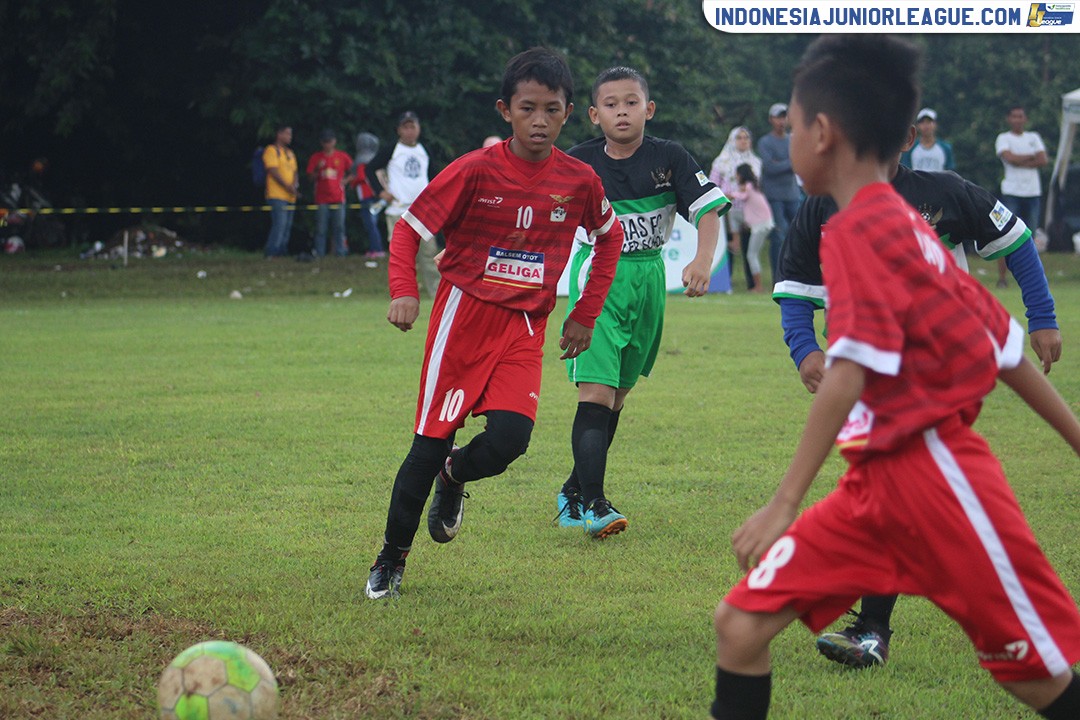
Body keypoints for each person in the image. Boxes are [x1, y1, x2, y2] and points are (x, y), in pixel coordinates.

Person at [712, 34, 1080, 720]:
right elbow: (1004, 349)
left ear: (822, 134)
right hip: (874, 490)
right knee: (740, 627)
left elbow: (851, 369)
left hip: (940, 481)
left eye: (790, 127)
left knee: (1039, 679)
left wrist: (784, 503)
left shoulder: (860, 233)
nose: (786, 142)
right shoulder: (901, 225)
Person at [773, 128, 1063, 670]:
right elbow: (796, 284)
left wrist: (1042, 317)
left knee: (897, 494)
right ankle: (1010, 630)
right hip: (868, 375)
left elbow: (1017, 241)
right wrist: (803, 348)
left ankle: (877, 629)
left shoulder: (946, 191)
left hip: (938, 371)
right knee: (909, 500)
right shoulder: (821, 206)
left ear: (905, 137)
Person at [364, 47, 624, 600]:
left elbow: (610, 238)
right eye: (527, 108)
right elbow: (409, 230)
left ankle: (453, 478)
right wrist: (404, 293)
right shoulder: (473, 170)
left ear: (568, 113)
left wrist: (584, 313)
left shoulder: (579, 180)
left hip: (525, 328)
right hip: (462, 320)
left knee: (511, 440)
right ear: (505, 110)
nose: (539, 120)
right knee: (427, 445)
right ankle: (391, 559)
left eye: (551, 109)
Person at [553, 66, 729, 538]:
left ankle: (572, 489)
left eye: (631, 102)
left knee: (616, 398)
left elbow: (710, 209)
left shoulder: (669, 157)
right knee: (595, 392)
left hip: (649, 278)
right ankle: (595, 504)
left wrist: (703, 260)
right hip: (600, 280)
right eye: (611, 104)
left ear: (648, 109)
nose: (622, 111)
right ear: (594, 114)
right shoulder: (578, 162)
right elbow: (539, 211)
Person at [367, 111, 439, 295]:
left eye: (412, 126)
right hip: (397, 210)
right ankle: (403, 293)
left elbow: (434, 177)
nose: (409, 131)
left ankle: (436, 292)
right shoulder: (392, 149)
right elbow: (370, 168)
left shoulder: (425, 150)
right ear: (399, 130)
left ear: (419, 128)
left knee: (429, 254)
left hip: (423, 211)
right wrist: (381, 192)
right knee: (402, 256)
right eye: (405, 127)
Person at [996, 105, 1048, 288]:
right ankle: (1002, 278)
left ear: (1025, 119)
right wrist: (1031, 157)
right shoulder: (1003, 138)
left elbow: (1043, 160)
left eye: (1021, 116)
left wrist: (1020, 159)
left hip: (1032, 193)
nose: (1018, 119)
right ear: (1009, 119)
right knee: (1005, 236)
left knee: (1030, 238)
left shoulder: (1033, 137)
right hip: (1011, 192)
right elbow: (1010, 159)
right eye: (1014, 116)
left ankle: (1031, 279)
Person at [710, 126, 762, 291]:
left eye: (746, 138)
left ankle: (752, 284)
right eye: (739, 137)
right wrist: (728, 196)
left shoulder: (755, 162)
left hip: (749, 212)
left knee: (750, 248)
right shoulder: (721, 162)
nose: (743, 141)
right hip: (727, 210)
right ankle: (726, 283)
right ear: (732, 140)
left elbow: (758, 188)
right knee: (730, 246)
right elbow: (712, 186)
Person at [757, 103, 802, 283]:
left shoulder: (793, 140)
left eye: (784, 117)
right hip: (774, 196)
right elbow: (769, 168)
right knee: (779, 236)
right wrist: (791, 162)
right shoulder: (765, 142)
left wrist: (782, 163)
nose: (781, 121)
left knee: (799, 235)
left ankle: (797, 275)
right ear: (771, 119)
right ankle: (779, 277)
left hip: (792, 195)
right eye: (778, 117)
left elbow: (800, 162)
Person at [305, 129, 354, 257]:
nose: (328, 144)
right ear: (322, 143)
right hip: (321, 198)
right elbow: (309, 177)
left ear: (334, 141)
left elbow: (354, 171)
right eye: (325, 142)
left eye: (330, 141)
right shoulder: (316, 158)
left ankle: (341, 252)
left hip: (338, 197)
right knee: (321, 228)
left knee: (339, 227)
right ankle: (319, 253)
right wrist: (317, 169)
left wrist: (346, 180)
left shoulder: (342, 156)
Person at [726, 163, 773, 293]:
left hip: (761, 225)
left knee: (752, 255)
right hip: (761, 223)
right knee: (733, 214)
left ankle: (758, 286)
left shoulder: (749, 187)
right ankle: (736, 240)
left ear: (741, 175)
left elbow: (743, 196)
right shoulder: (754, 186)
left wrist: (730, 195)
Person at [262, 125, 298, 258]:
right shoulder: (271, 150)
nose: (290, 137)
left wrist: (294, 185)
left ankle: (282, 252)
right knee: (279, 224)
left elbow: (294, 172)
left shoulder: (290, 153)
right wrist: (286, 186)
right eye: (287, 134)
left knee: (287, 225)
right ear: (279, 134)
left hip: (290, 196)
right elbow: (273, 170)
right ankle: (272, 252)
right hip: (276, 194)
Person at [350, 131, 385, 258]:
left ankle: (377, 249)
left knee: (370, 224)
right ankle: (374, 249)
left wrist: (351, 182)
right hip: (376, 197)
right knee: (372, 224)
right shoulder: (374, 162)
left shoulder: (362, 163)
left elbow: (360, 177)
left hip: (366, 197)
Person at [900, 107, 955, 172]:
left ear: (935, 125)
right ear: (917, 126)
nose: (926, 125)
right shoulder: (910, 148)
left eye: (929, 122)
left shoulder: (945, 148)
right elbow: (905, 171)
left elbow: (950, 172)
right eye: (922, 122)